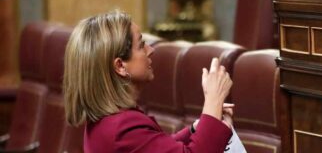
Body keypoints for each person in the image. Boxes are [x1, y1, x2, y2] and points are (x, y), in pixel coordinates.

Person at [63, 10, 234, 152]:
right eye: (141, 45)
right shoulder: (123, 128)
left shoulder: (107, 122)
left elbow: (153, 147)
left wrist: (197, 128)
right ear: (120, 65)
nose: (150, 50)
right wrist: (213, 100)